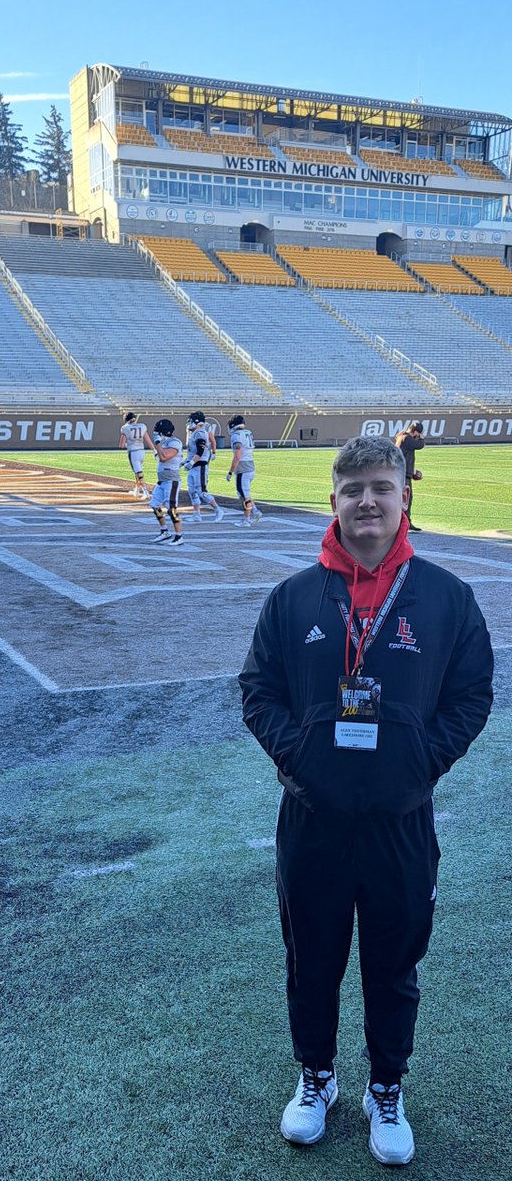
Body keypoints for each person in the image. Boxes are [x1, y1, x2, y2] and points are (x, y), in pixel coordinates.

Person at [239, 435, 493, 1166]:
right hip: (311, 816)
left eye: (380, 487)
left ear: (403, 495)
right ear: (333, 502)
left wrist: (422, 761)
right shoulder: (292, 599)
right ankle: (316, 1078)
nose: (367, 502)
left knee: (392, 961)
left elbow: (471, 693)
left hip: (400, 819)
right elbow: (258, 692)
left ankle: (387, 1086)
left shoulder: (445, 597)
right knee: (310, 957)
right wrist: (297, 758)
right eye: (352, 490)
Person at [147, 418, 184, 546]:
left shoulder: (175, 442)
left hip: (171, 480)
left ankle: (179, 536)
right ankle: (164, 531)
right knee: (154, 504)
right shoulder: (165, 442)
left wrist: (157, 442)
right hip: (162, 480)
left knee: (171, 509)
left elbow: (163, 458)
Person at [183, 411, 224, 523]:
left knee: (202, 492)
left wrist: (191, 462)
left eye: (191, 421)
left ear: (196, 421)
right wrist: (184, 462)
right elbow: (193, 452)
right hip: (194, 466)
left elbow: (200, 450)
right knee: (192, 491)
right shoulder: (195, 433)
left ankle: (218, 510)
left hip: (199, 466)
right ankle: (197, 515)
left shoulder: (200, 432)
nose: (189, 423)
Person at [226, 414, 262, 527]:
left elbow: (237, 456)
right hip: (251, 466)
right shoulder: (247, 432)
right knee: (244, 494)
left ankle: (247, 519)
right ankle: (255, 511)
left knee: (244, 495)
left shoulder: (236, 436)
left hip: (243, 468)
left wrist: (230, 471)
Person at [394, 422, 424, 531]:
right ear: (416, 432)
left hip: (401, 472)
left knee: (404, 498)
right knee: (406, 498)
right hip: (402, 473)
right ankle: (404, 523)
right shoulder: (407, 439)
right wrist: (421, 437)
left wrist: (412, 471)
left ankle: (405, 522)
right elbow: (420, 445)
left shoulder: (401, 436)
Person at [119, 412, 151, 499]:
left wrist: (127, 445)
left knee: (138, 473)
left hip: (133, 452)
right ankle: (137, 489)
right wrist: (154, 450)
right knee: (137, 472)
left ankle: (145, 491)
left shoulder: (125, 428)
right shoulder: (142, 426)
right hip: (142, 451)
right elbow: (147, 439)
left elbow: (121, 445)